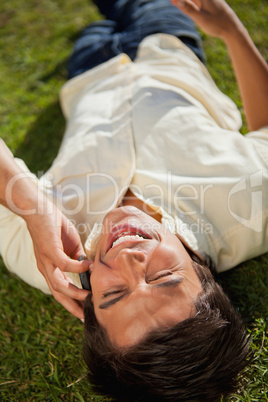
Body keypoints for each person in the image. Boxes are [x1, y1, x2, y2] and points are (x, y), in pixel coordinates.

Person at [0, 0, 267, 400]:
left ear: (88, 309)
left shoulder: (43, 257)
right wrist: (230, 31)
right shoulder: (254, 213)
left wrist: (33, 206)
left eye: (113, 294)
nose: (128, 259)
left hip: (88, 72)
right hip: (168, 43)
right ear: (206, 279)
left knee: (98, 19)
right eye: (163, 278)